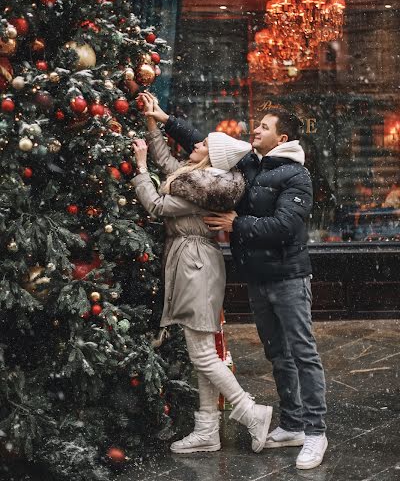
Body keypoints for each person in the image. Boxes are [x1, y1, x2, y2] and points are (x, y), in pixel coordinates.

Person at [139, 93, 327, 471]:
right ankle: (290, 425)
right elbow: (207, 146)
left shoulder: (295, 174)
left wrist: (235, 224)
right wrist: (164, 119)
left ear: (284, 137)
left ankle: (315, 431)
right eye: (257, 126)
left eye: (264, 127)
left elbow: (286, 226)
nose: (255, 130)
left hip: (288, 275)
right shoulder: (251, 166)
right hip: (257, 277)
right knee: (277, 354)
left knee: (302, 352)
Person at [131, 93, 273, 455]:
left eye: (202, 144)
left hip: (195, 264)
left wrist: (140, 168)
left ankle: (249, 411)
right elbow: (171, 165)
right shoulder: (198, 178)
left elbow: (157, 204)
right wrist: (152, 125)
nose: (195, 144)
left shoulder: (204, 191)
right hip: (194, 260)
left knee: (203, 355)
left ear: (210, 157)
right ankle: (207, 430)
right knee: (204, 351)